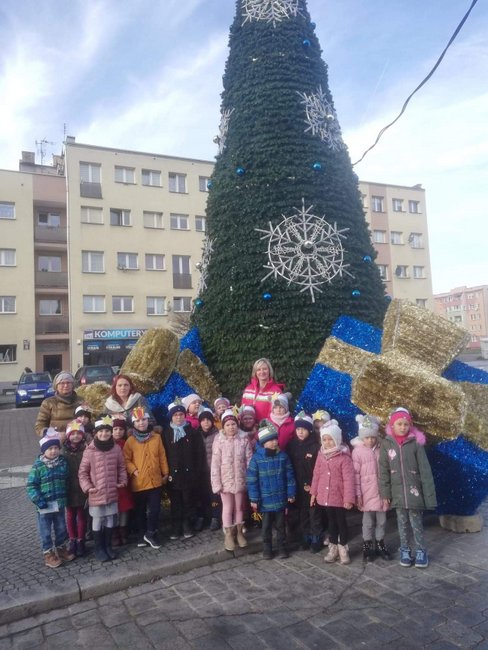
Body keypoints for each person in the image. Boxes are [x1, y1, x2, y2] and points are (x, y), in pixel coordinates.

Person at [378, 407, 437, 568]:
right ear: (392, 425)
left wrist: (429, 496)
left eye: (406, 424)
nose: (403, 427)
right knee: (402, 523)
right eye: (399, 424)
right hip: (397, 493)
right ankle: (405, 550)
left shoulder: (416, 443)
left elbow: (425, 470)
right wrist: (385, 493)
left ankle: (421, 550)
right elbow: (383, 471)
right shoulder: (386, 444)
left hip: (414, 493)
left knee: (416, 523)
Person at [78, 415, 127, 562]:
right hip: (96, 492)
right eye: (101, 431)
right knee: (98, 519)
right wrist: (88, 487)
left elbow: (121, 467)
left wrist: (122, 481)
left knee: (111, 518)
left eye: (107, 431)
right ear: (95, 433)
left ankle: (108, 546)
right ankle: (99, 548)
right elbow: (83, 472)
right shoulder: (90, 450)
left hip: (111, 490)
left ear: (111, 432)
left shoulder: (116, 449)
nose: (104, 434)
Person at [246, 421, 296, 559]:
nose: (274, 442)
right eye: (270, 440)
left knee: (281, 525)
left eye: (275, 439)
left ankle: (282, 547)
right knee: (266, 526)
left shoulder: (283, 456)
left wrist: (291, 493)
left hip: (280, 498)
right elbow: (252, 480)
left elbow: (290, 476)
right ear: (263, 443)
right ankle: (267, 548)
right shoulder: (256, 459)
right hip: (265, 500)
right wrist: (254, 498)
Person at [26, 433, 76, 568]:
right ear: (44, 451)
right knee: (45, 530)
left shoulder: (62, 463)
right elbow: (31, 486)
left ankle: (61, 548)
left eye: (56, 448)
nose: (53, 451)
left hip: (59, 503)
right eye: (50, 449)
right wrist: (39, 500)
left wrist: (66, 494)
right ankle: (48, 552)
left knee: (61, 527)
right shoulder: (38, 466)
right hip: (44, 505)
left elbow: (67, 479)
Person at [310, 419, 355, 565]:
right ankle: (333, 546)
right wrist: (313, 493)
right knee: (331, 523)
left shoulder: (344, 457)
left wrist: (349, 499)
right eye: (324, 439)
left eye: (330, 439)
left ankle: (343, 547)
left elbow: (349, 479)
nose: (327, 442)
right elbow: (316, 474)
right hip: (326, 496)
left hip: (339, 497)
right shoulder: (321, 454)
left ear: (337, 439)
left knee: (341, 522)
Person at [123, 407, 169, 549]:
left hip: (155, 480)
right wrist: (133, 470)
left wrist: (165, 473)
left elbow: (162, 456)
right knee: (140, 511)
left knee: (155, 509)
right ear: (134, 423)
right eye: (138, 421)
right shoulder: (130, 441)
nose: (141, 423)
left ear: (148, 421)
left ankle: (150, 533)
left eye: (143, 420)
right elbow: (126, 459)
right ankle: (141, 534)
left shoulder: (156, 437)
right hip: (139, 481)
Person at [162, 401, 205, 540]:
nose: (179, 417)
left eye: (181, 414)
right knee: (175, 502)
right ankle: (176, 526)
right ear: (171, 417)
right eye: (175, 415)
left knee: (188, 501)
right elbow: (163, 454)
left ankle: (187, 524)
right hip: (173, 474)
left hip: (189, 473)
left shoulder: (192, 432)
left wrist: (197, 471)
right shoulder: (166, 433)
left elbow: (199, 453)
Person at [211, 409, 252, 551]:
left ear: (237, 424)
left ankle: (239, 532)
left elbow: (249, 460)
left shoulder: (244, 439)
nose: (231, 427)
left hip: (240, 479)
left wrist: (250, 478)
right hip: (225, 481)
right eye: (227, 425)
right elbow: (215, 463)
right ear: (223, 426)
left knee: (239, 507)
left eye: (233, 424)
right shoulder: (219, 441)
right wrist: (217, 483)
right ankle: (228, 534)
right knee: (228, 508)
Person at [351, 414, 390, 563]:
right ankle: (367, 544)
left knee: (382, 521)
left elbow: (387, 470)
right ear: (362, 437)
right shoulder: (357, 452)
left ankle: (380, 542)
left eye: (373, 437)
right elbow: (355, 475)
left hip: (381, 492)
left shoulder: (382, 449)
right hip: (366, 493)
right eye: (367, 437)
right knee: (367, 522)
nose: (370, 440)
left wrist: (388, 492)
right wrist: (358, 494)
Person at [287, 412, 322, 552]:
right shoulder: (292, 445)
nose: (300, 432)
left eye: (304, 429)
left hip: (312, 485)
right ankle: (305, 535)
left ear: (310, 430)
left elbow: (318, 468)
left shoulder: (315, 446)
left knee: (314, 513)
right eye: (298, 429)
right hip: (297, 485)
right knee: (302, 513)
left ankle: (316, 537)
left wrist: (314, 485)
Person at [62, 419, 88, 557]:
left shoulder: (86, 449)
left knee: (82, 515)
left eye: (78, 433)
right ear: (68, 436)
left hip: (82, 487)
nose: (76, 436)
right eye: (73, 434)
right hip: (69, 489)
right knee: (70, 515)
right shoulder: (63, 452)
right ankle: (72, 539)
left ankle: (81, 540)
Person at [35, 371, 83, 438]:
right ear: (56, 386)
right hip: (56, 439)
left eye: (68, 383)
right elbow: (40, 425)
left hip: (77, 438)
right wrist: (51, 434)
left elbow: (89, 420)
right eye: (62, 383)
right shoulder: (48, 403)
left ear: (73, 385)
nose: (66, 385)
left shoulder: (81, 401)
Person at [197, 408, 221, 531]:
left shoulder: (218, 434)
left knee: (214, 495)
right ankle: (201, 517)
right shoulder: (196, 434)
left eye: (208, 420)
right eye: (203, 420)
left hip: (214, 470)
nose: (206, 422)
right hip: (201, 470)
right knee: (202, 495)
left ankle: (215, 517)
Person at [111, 417, 134, 546]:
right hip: (111, 480)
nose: (118, 432)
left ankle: (123, 530)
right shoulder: (107, 444)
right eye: (115, 429)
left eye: (120, 429)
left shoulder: (126, 443)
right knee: (113, 507)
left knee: (124, 506)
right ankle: (115, 532)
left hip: (125, 479)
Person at [241, 358, 285, 422]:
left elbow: (278, 414)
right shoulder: (248, 389)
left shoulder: (276, 392)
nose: (262, 372)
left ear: (269, 371)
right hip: (249, 426)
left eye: (264, 369)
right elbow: (242, 410)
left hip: (267, 426)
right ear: (255, 372)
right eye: (258, 370)